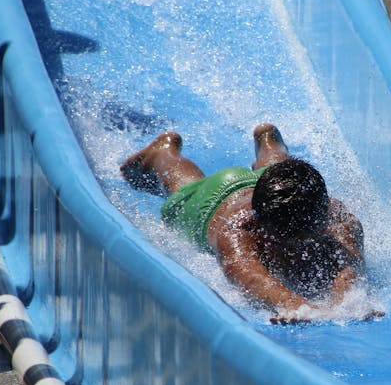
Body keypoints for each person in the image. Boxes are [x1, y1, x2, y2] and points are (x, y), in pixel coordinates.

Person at [120, 123, 372, 323]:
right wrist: (300, 307)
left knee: (284, 173)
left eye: (303, 235)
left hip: (268, 184)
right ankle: (162, 153)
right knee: (184, 185)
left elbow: (349, 267)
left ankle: (268, 143)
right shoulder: (235, 230)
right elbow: (252, 278)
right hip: (213, 199)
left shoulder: (338, 219)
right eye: (283, 238)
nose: (294, 247)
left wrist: (346, 301)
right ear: (257, 222)